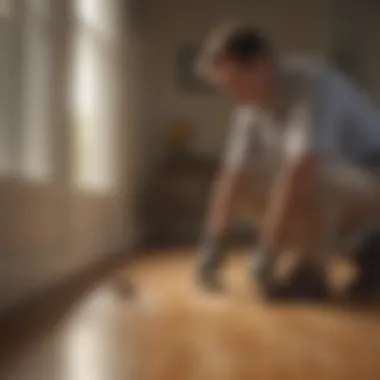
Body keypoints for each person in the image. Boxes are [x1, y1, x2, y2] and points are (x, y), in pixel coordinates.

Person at [195, 22, 380, 300]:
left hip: (371, 176)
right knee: (248, 186)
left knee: (310, 178)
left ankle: (311, 274)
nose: (230, 93)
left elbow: (301, 170)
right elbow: (231, 178)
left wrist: (268, 252)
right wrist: (214, 245)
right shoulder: (250, 107)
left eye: (234, 81)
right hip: (344, 191)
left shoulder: (315, 84)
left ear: (261, 65)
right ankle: (369, 252)